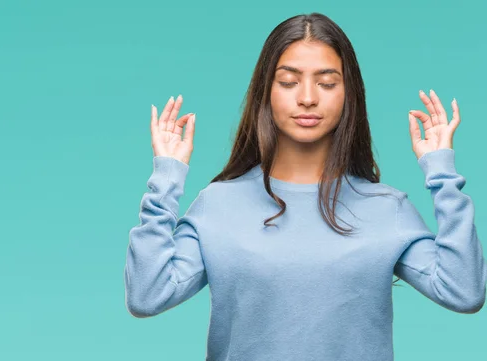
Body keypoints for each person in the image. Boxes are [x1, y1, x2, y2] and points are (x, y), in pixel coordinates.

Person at [123, 12, 487, 361]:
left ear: (349, 94)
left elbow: (464, 291)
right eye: (288, 81)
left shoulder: (385, 209)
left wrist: (441, 173)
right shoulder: (218, 205)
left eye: (327, 83)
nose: (308, 97)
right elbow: (146, 295)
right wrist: (166, 178)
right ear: (266, 91)